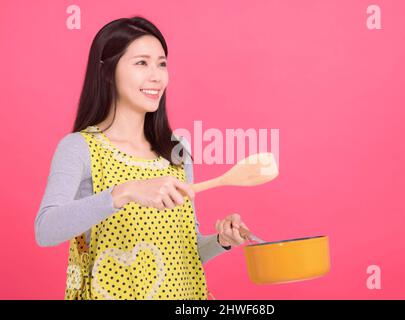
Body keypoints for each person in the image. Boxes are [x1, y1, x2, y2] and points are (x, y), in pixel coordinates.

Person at [34, 16, 249, 300]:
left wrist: (222, 241)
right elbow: (45, 230)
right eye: (141, 63)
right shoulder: (79, 148)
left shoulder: (176, 150)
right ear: (107, 72)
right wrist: (125, 192)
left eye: (161, 63)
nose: (157, 76)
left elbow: (185, 253)